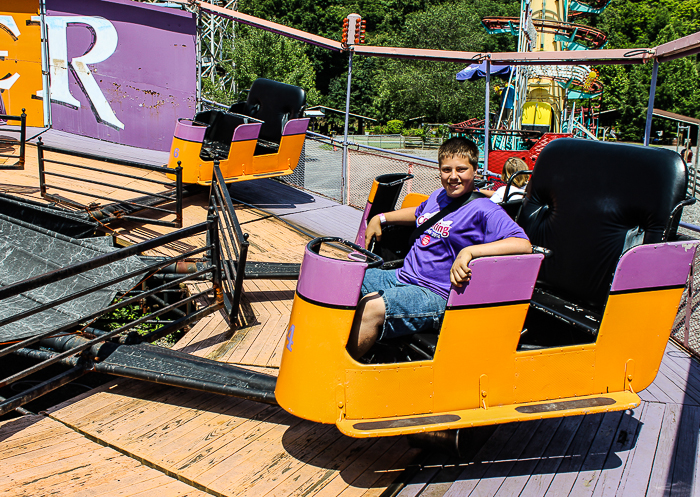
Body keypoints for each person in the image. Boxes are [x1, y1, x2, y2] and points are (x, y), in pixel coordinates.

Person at [346, 137, 532, 360]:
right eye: (447, 170)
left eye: (461, 169)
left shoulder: (484, 209)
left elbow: (523, 244)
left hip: (436, 293)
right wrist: (382, 217)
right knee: (345, 279)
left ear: (475, 170)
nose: (453, 176)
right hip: (402, 276)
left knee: (372, 307)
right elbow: (418, 213)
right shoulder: (438, 196)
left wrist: (470, 252)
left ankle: (343, 375)